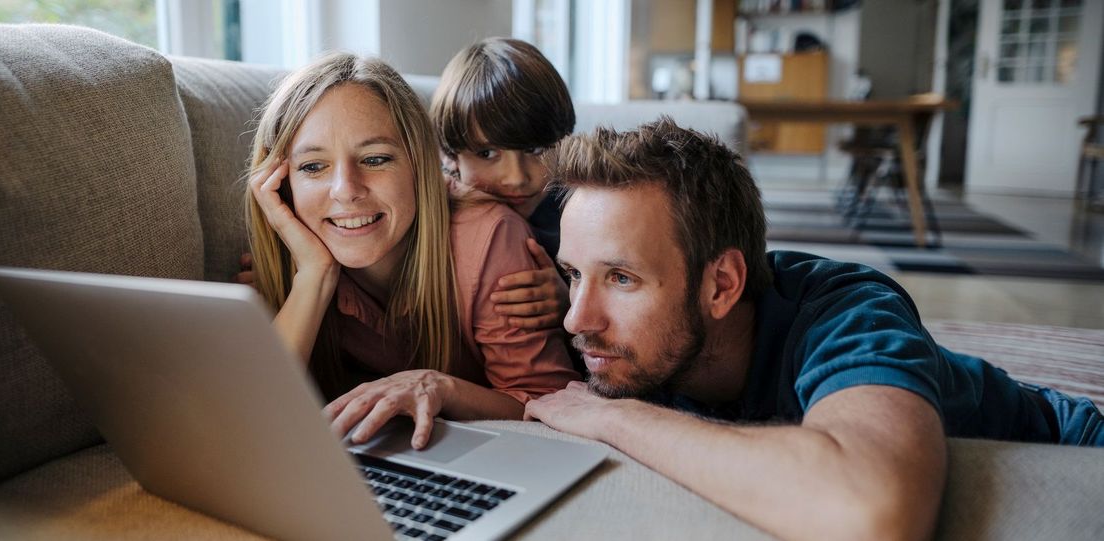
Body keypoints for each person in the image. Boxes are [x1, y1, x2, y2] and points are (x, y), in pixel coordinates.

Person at [524, 117, 1104, 540]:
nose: (578, 318)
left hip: (1064, 452)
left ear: (722, 285)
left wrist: (614, 416)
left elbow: (871, 512)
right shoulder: (625, 336)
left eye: (621, 278)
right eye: (573, 273)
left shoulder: (848, 311)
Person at [246, 52, 578, 450]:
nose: (346, 190)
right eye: (313, 167)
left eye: (375, 159)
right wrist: (313, 279)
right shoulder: (294, 246)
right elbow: (248, 425)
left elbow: (551, 407)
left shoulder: (493, 236)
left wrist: (441, 387)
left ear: (422, 164)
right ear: (282, 184)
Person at [431, 37, 575, 331]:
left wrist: (571, 303)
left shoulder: (579, 213)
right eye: (487, 153)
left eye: (535, 150)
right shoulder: (432, 218)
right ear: (450, 156)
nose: (516, 177)